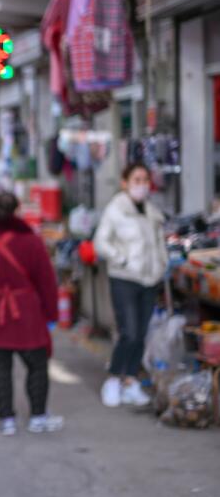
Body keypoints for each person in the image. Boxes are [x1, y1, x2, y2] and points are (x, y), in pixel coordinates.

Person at [0, 192, 63, 436]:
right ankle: (38, 416)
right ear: (17, 211)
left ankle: (7, 418)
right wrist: (51, 314)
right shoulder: (31, 242)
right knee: (37, 363)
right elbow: (46, 282)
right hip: (24, 311)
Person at [93, 162, 168, 408]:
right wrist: (122, 259)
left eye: (145, 180)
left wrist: (161, 265)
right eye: (137, 180)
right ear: (125, 182)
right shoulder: (116, 210)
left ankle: (131, 380)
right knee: (129, 331)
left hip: (149, 279)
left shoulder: (151, 211)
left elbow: (158, 244)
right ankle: (114, 378)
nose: (142, 185)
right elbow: (100, 243)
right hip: (125, 278)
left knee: (141, 333)